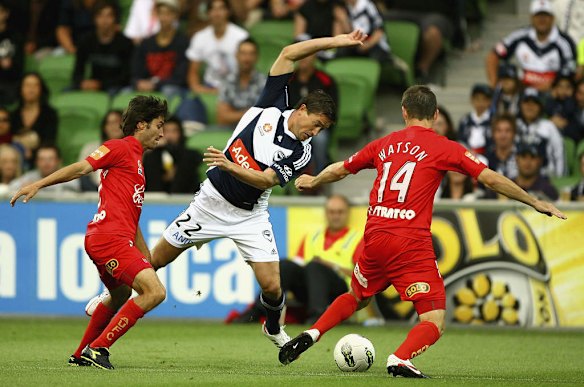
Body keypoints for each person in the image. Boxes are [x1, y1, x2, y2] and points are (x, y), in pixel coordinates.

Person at [86, 29, 368, 351]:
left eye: (322, 130)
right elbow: (289, 52)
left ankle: (273, 326)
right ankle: (109, 297)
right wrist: (338, 40)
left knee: (273, 286)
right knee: (152, 262)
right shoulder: (272, 104)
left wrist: (228, 163)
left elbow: (264, 181)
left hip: (250, 215)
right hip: (209, 204)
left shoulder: (300, 151)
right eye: (315, 123)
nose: (315, 132)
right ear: (302, 109)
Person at [279, 85, 566, 378]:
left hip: (375, 237)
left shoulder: (385, 143)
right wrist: (533, 201)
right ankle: (401, 358)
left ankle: (313, 332)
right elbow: (490, 179)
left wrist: (314, 181)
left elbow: (341, 168)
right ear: (436, 114)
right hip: (409, 242)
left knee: (357, 294)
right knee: (434, 318)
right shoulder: (445, 147)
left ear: (404, 112)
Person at [10, 95, 168, 370]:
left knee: (120, 295)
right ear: (141, 125)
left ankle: (81, 352)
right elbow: (82, 168)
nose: (162, 132)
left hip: (109, 238)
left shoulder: (136, 162)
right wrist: (39, 184)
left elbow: (132, 216)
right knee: (155, 293)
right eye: (159, 125)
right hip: (109, 239)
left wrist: (145, 256)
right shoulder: (118, 147)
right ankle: (99, 348)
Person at [228, 194, 363, 324]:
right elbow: (297, 265)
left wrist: (332, 266)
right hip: (311, 289)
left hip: (340, 290)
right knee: (287, 265)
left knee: (314, 266)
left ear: (347, 213)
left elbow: (363, 277)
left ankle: (317, 316)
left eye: (340, 212)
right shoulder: (312, 237)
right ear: (326, 213)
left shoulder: (357, 239)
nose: (336, 216)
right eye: (332, 212)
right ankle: (259, 310)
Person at [486, 0, 576, 92]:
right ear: (531, 17)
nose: (542, 19)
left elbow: (569, 71)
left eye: (545, 15)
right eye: (538, 15)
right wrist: (493, 83)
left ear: (552, 18)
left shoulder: (565, 42)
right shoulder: (519, 36)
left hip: (552, 94)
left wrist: (548, 86)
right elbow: (493, 55)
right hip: (521, 91)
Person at [287, 53, 338, 173]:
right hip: (292, 123)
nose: (304, 58)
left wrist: (317, 126)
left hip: (318, 127)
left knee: (319, 139)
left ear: (315, 58)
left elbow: (332, 113)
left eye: (308, 55)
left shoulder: (326, 80)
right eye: (302, 55)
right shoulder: (289, 79)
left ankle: (316, 176)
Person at [131, 0, 189, 101]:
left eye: (168, 13)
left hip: (171, 88)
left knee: (168, 91)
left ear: (175, 15)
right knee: (126, 92)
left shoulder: (183, 42)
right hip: (147, 86)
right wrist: (138, 82)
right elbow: (136, 71)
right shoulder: (146, 43)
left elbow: (181, 77)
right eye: (161, 13)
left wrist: (155, 84)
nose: (163, 18)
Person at [73, 0, 134, 94]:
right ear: (94, 18)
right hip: (92, 85)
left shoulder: (125, 43)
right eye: (100, 16)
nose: (104, 20)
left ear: (115, 18)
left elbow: (127, 76)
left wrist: (100, 84)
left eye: (109, 16)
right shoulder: (86, 41)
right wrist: (82, 83)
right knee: (67, 92)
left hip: (116, 87)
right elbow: (78, 71)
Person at [143, 117, 202, 193]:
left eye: (174, 131)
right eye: (166, 131)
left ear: (180, 134)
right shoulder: (152, 156)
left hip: (185, 196)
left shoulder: (189, 155)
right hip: (156, 196)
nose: (170, 135)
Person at [217, 38, 267, 127]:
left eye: (251, 54)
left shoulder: (265, 82)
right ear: (236, 55)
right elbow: (222, 118)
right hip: (229, 132)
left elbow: (265, 117)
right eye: (243, 53)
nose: (247, 58)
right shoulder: (227, 80)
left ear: (257, 57)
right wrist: (251, 112)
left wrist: (233, 113)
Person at [516, 87, 565, 177]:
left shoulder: (549, 126)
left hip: (545, 177)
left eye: (534, 103)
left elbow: (559, 155)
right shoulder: (513, 126)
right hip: (517, 179)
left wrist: (560, 179)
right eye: (526, 102)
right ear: (520, 105)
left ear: (540, 107)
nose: (530, 106)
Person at [78, 109, 124, 191]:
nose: (114, 126)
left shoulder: (133, 148)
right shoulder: (91, 148)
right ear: (104, 127)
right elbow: (83, 175)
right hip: (94, 194)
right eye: (110, 123)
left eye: (117, 122)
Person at [10, 72, 58, 150]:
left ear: (41, 89)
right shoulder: (14, 115)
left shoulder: (50, 114)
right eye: (27, 85)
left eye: (35, 85)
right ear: (20, 88)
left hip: (41, 157)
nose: (31, 90)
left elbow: (49, 141)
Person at [9, 144, 81, 194]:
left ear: (59, 161)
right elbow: (12, 186)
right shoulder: (31, 176)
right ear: (36, 162)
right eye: (42, 159)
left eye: (50, 159)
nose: (46, 163)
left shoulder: (68, 175)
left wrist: (37, 187)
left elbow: (73, 188)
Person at [457, 84, 493, 155]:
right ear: (472, 100)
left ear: (490, 101)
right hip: (467, 156)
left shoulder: (494, 120)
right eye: (477, 99)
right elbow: (460, 140)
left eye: (484, 99)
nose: (481, 103)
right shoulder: (465, 120)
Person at [0, 0, 24, 106]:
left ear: (6, 13)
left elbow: (18, 67)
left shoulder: (15, 37)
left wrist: (8, 66)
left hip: (9, 83)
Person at [485, 114, 518, 180]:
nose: (503, 135)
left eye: (507, 131)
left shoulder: (521, 157)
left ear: (514, 134)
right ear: (493, 134)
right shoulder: (486, 158)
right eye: (499, 131)